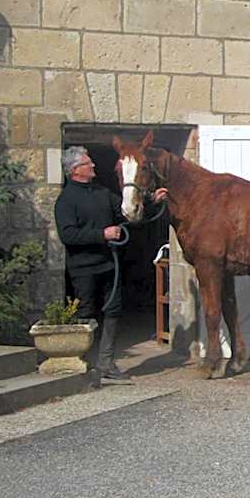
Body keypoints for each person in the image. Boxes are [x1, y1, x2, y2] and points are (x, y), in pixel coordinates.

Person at [54, 146, 167, 383]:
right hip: (84, 268)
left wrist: (152, 202)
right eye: (88, 163)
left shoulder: (101, 192)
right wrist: (102, 234)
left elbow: (127, 214)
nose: (93, 165)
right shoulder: (66, 200)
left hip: (108, 264)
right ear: (76, 170)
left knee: (113, 311)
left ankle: (106, 363)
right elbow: (69, 235)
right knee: (86, 314)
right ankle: (81, 364)